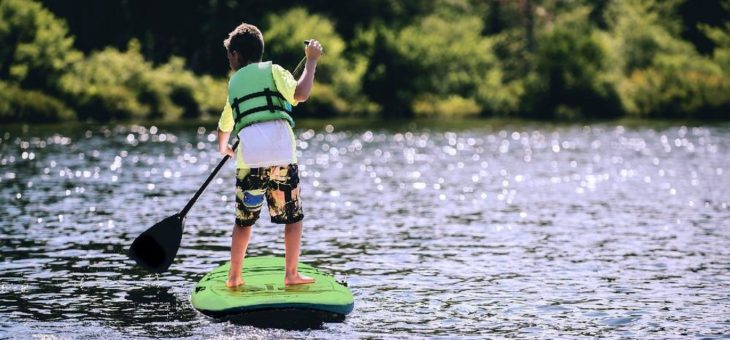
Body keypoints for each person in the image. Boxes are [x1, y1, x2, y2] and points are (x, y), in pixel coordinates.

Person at [216, 23, 322, 287]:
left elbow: (225, 125)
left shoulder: (234, 83)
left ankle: (234, 277)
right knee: (293, 217)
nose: (228, 59)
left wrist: (223, 147)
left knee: (243, 222)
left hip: (250, 158)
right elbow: (301, 93)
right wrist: (311, 63)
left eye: (229, 54)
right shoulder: (274, 71)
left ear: (237, 55)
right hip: (282, 155)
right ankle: (291, 275)